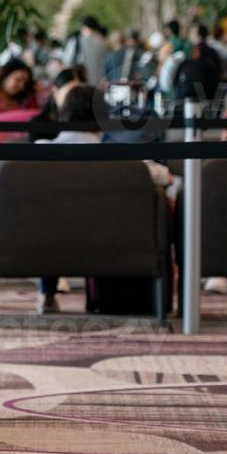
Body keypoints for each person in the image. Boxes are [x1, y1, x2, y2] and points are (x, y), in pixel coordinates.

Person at [31, 86, 172, 314]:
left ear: (63, 115)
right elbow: (163, 177)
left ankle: (47, 294)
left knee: (51, 217)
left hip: (47, 242)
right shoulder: (120, 158)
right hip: (108, 244)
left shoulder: (38, 153)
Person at [67, 16, 110, 92]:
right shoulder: (104, 42)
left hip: (83, 85)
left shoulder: (76, 41)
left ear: (83, 27)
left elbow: (68, 61)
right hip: (101, 86)